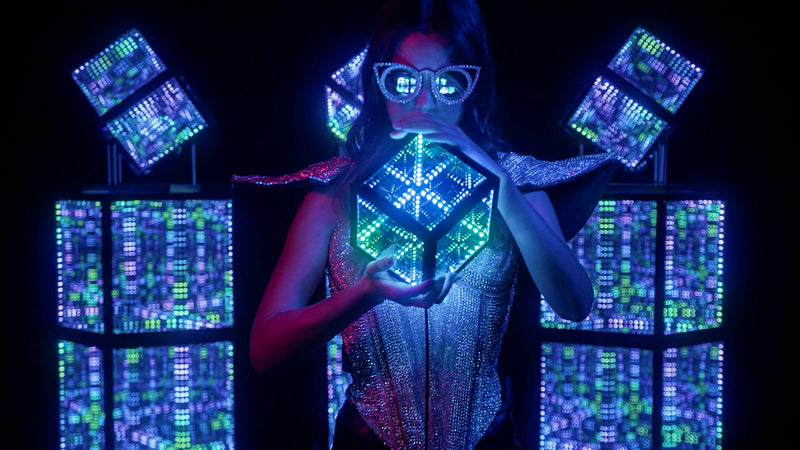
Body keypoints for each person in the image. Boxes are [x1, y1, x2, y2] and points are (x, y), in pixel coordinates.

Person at [237, 0, 619, 448]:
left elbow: (575, 304)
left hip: (487, 440)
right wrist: (365, 293)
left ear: (472, 85)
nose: (425, 102)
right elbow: (264, 351)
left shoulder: (514, 184)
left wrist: (500, 186)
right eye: (403, 80)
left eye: (448, 82)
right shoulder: (335, 196)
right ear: (377, 84)